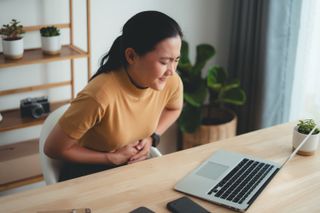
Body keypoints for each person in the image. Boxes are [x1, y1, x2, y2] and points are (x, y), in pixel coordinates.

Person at [44, 10, 183, 181]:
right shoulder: (99, 95)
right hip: (89, 177)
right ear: (131, 56)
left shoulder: (170, 81)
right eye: (164, 61)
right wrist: (111, 158)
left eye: (176, 60)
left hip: (132, 174)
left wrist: (152, 136)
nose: (171, 70)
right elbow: (52, 148)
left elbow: (174, 108)